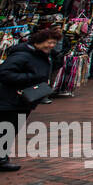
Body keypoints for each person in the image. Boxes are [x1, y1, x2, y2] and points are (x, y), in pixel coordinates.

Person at [0, 28, 59, 171]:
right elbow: (4, 73)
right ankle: (1, 160)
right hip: (11, 99)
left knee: (9, 130)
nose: (51, 46)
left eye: (54, 43)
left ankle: (2, 158)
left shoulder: (41, 55)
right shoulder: (23, 55)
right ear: (39, 41)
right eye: (49, 42)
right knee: (6, 129)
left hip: (23, 101)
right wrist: (31, 79)